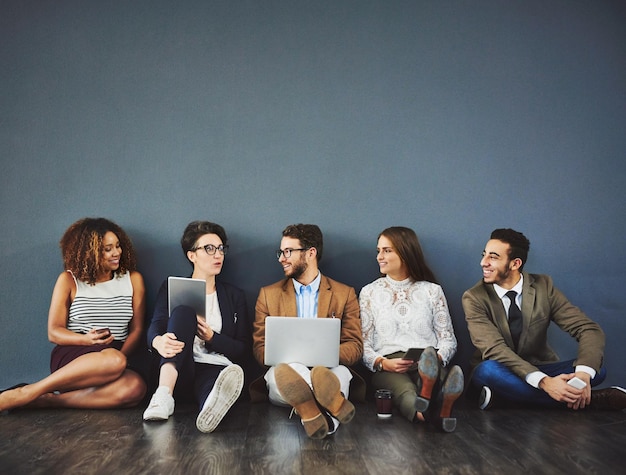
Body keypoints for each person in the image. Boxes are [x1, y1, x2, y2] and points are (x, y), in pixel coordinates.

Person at [463, 228, 626, 411]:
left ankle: (507, 399)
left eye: (493, 257)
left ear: (515, 263)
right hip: (500, 369)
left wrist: (582, 375)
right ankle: (591, 401)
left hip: (540, 367)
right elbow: (494, 349)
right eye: (484, 255)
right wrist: (545, 383)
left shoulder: (543, 287)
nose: (483, 263)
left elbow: (588, 329)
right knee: (488, 370)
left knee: (594, 370)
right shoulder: (474, 297)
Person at [0, 218, 147, 412]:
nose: (116, 253)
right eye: (107, 249)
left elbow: (137, 329)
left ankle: (47, 401)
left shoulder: (133, 280)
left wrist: (121, 358)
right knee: (113, 360)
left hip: (116, 356)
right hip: (75, 355)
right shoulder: (68, 280)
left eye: (118, 246)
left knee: (136, 388)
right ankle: (29, 392)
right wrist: (87, 340)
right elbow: (54, 332)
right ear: (89, 252)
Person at [252, 224, 363, 439]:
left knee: (337, 376)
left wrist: (323, 356)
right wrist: (296, 359)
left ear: (310, 253)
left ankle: (310, 411)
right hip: (286, 371)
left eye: (288, 252)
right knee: (280, 376)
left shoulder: (344, 294)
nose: (281, 258)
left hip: (330, 368)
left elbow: (355, 346)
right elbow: (260, 348)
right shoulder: (268, 295)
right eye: (281, 252)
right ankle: (332, 410)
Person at [143, 221, 249, 433]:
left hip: (214, 366)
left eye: (220, 249)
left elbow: (242, 348)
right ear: (192, 255)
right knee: (183, 312)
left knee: (214, 383)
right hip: (180, 367)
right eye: (209, 249)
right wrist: (158, 341)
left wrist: (212, 337)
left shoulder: (233, 295)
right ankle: (163, 396)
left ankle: (210, 407)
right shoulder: (172, 286)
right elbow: (155, 325)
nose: (218, 255)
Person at [359, 226, 464, 432]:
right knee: (406, 391)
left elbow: (448, 339)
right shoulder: (369, 292)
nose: (380, 256)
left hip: (427, 359)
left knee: (438, 379)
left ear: (405, 252)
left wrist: (436, 360)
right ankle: (436, 411)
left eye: (387, 251)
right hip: (389, 364)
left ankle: (431, 393)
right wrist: (383, 363)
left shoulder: (432, 291)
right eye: (378, 250)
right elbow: (364, 343)